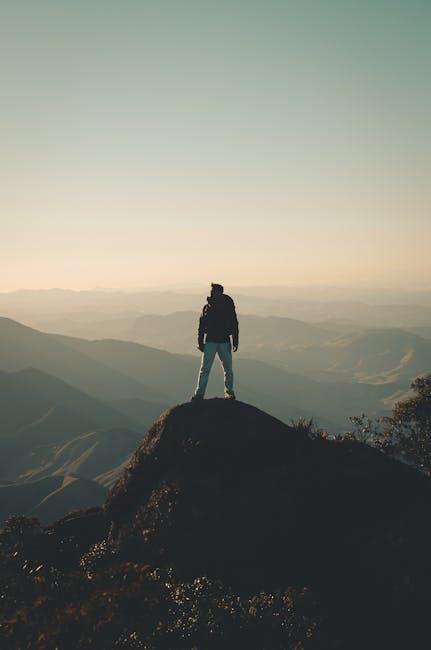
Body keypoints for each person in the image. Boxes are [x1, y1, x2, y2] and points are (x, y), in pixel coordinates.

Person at [192, 283, 239, 400]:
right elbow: (202, 325)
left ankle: (201, 394)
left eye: (213, 291)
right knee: (222, 369)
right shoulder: (210, 306)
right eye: (211, 291)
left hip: (215, 341)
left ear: (220, 292)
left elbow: (234, 322)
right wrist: (200, 341)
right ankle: (226, 393)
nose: (211, 293)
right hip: (219, 341)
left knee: (211, 370)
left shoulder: (214, 306)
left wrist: (235, 340)